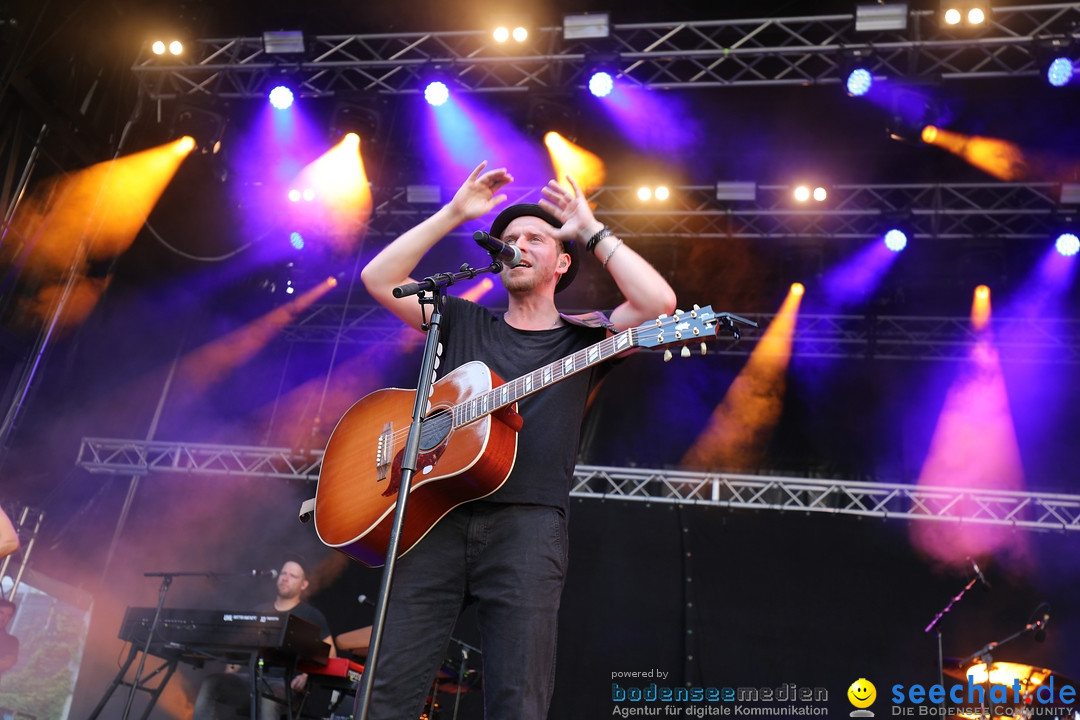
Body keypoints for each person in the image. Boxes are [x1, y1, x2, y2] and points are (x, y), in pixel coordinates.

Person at [359, 161, 676, 719]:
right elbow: (380, 280)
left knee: (518, 701)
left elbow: (659, 305)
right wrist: (455, 213)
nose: (519, 246)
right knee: (386, 694)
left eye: (536, 239)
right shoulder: (460, 321)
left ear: (562, 261)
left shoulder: (588, 336)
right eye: (508, 240)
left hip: (527, 529)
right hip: (436, 518)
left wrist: (589, 227)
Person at [191, 557, 336, 720]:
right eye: (283, 573)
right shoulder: (260, 610)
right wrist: (229, 672)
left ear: (304, 585)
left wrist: (306, 676)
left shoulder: (311, 615)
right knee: (212, 684)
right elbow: (243, 648)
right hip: (255, 681)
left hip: (287, 686)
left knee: (268, 697)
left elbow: (331, 654)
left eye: (293, 576)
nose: (285, 578)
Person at [0, 599, 17, 684]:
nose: (3, 618)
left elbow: (7, 663)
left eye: (8, 615)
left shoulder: (11, 641)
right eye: (1, 613)